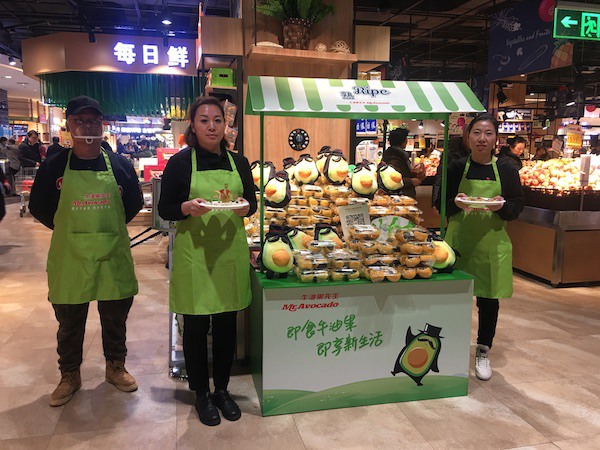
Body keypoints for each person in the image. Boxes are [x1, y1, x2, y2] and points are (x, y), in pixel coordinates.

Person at [29, 95, 143, 407]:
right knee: (69, 322)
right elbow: (39, 206)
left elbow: (133, 203)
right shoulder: (54, 166)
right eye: (80, 120)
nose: (87, 126)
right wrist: (70, 230)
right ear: (69, 125)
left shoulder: (119, 165)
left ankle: (115, 367)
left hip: (111, 254)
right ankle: (69, 374)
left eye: (93, 120)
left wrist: (107, 229)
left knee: (115, 317)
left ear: (102, 125)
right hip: (71, 256)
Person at [158, 97, 257, 427]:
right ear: (193, 125)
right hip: (195, 257)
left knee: (227, 325)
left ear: (225, 125)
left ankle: (223, 390)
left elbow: (251, 203)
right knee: (196, 327)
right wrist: (186, 208)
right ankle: (202, 392)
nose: (212, 126)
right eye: (204, 120)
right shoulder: (180, 164)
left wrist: (245, 207)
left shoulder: (239, 162)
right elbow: (165, 209)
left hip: (229, 255)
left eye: (217, 120)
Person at [440, 113, 523, 381]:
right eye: (476, 132)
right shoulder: (456, 167)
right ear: (468, 137)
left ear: (496, 138)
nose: (482, 139)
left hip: (491, 243)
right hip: (459, 243)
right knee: (455, 297)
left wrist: (502, 207)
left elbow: (516, 207)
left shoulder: (507, 170)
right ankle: (450, 345)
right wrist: (456, 203)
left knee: (488, 299)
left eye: (488, 133)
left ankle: (483, 349)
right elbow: (440, 204)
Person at [432, 129, 471, 210]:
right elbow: (440, 177)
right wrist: (435, 202)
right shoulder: (451, 152)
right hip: (454, 199)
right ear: (464, 135)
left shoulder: (482, 154)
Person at [381, 128, 424, 199]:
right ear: (403, 141)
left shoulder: (396, 155)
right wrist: (411, 181)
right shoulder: (394, 158)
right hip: (399, 197)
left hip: (401, 195)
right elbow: (392, 179)